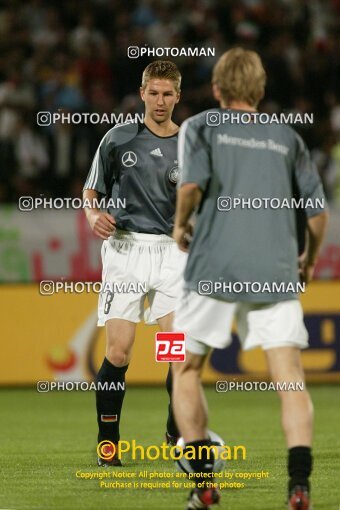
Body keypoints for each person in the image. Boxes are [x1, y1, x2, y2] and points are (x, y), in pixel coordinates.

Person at [172, 48, 328, 510]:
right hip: (275, 271)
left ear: (217, 89)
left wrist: (181, 227)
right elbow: (317, 215)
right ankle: (299, 487)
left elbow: (190, 187)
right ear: (260, 91)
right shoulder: (287, 137)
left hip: (211, 271)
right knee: (291, 379)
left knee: (184, 370)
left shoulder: (200, 126)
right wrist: (308, 259)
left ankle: (203, 484)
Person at [83, 60, 185, 466]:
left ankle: (175, 433)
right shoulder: (117, 138)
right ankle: (108, 443)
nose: (160, 102)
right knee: (120, 352)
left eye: (168, 94)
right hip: (126, 249)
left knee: (178, 354)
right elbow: (91, 191)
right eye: (153, 93)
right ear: (142, 93)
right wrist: (93, 216)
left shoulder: (191, 145)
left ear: (178, 96)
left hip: (173, 253)